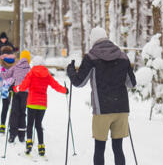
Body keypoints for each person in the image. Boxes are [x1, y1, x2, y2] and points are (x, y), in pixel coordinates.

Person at [66, 27, 136, 165]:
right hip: (121, 110)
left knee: (99, 149)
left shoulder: (91, 57)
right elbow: (132, 83)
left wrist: (71, 71)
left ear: (93, 39)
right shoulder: (122, 56)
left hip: (102, 110)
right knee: (118, 148)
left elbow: (79, 82)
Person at [14, 56, 68, 156]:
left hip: (32, 103)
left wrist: (15, 88)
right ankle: (41, 147)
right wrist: (65, 90)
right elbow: (55, 85)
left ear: (34, 63)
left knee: (30, 124)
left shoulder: (31, 73)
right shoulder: (47, 74)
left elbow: (24, 86)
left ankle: (29, 143)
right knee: (38, 125)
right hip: (42, 104)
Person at [1, 50, 31, 143]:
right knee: (23, 112)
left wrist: (2, 71)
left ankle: (12, 135)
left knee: (14, 112)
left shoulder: (15, 66)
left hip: (16, 91)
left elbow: (5, 76)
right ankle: (22, 135)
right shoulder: (30, 69)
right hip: (25, 93)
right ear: (29, 59)